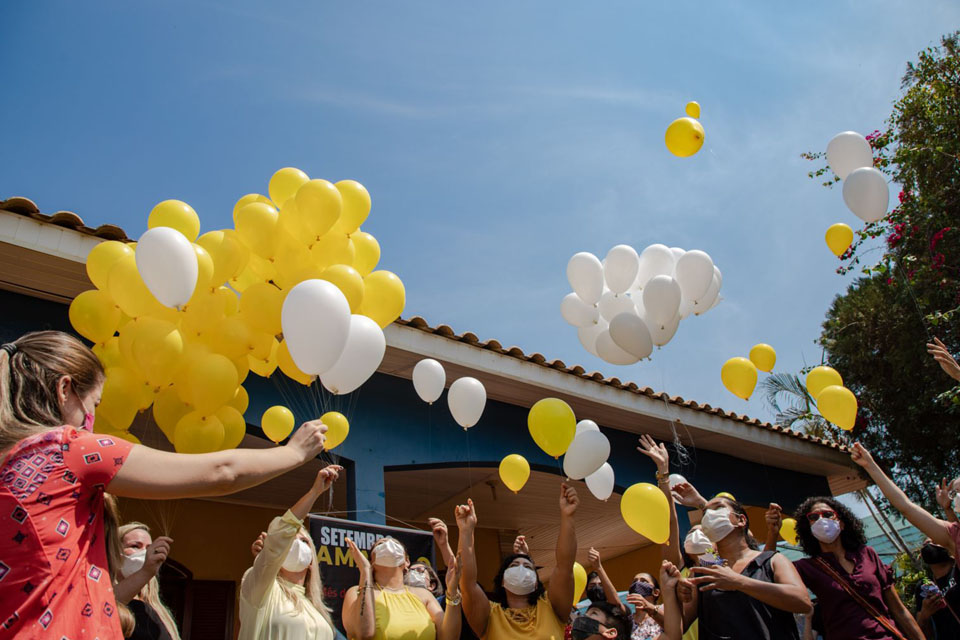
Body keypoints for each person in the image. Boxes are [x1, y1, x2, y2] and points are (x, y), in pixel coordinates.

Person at [0, 331, 328, 638]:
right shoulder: (67, 449)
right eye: (95, 404)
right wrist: (294, 453)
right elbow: (222, 473)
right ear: (64, 389)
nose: (93, 419)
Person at [765, 497, 923, 640]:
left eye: (827, 514)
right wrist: (773, 533)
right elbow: (767, 571)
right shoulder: (807, 567)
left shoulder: (867, 554)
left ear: (841, 523)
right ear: (809, 529)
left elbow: (899, 610)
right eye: (814, 517)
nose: (821, 520)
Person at [676, 494, 811, 640]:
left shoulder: (772, 560)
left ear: (741, 520)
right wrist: (670, 593)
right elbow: (677, 627)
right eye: (705, 513)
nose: (709, 515)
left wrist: (739, 582)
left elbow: (803, 602)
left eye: (718, 508)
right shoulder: (703, 573)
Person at [455, 484, 579, 640]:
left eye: (528, 566)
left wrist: (567, 517)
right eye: (514, 565)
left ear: (535, 582)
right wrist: (466, 531)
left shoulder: (551, 607)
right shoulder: (490, 615)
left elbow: (564, 567)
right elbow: (467, 583)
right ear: (502, 580)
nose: (521, 569)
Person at [240, 465, 342, 639]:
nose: (296, 544)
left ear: (311, 559)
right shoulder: (263, 591)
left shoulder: (315, 607)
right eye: (290, 540)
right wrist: (315, 492)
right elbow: (281, 532)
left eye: (303, 541)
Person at [342, 532, 461, 640]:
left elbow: (449, 637)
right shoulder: (356, 592)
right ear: (372, 562)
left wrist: (452, 591)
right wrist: (365, 572)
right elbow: (364, 634)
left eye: (395, 543)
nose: (388, 543)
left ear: (407, 562)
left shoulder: (424, 595)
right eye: (380, 544)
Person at [116, 521, 180, 639]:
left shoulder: (156, 610)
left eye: (149, 548)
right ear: (114, 552)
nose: (145, 553)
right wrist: (145, 572)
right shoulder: (104, 596)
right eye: (135, 546)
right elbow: (107, 604)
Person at [914, 537, 960, 638]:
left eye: (935, 542)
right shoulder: (923, 587)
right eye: (926, 544)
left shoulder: (957, 571)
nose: (930, 544)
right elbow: (921, 631)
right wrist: (925, 614)